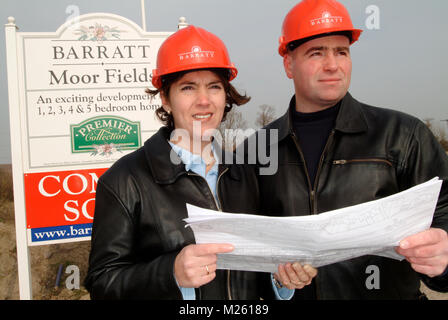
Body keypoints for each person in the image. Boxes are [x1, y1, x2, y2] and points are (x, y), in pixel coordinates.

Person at [84, 25, 316, 299]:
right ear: (165, 98)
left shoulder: (245, 173)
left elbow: (253, 273)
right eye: (188, 88)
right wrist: (170, 273)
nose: (204, 101)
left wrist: (281, 279)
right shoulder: (125, 180)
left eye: (214, 87)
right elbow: (102, 282)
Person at [252, 0, 448, 299]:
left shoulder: (403, 135)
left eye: (341, 52)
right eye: (316, 53)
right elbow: (245, 251)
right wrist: (277, 281)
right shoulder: (257, 149)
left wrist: (443, 253)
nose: (332, 65)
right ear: (289, 64)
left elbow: (444, 211)